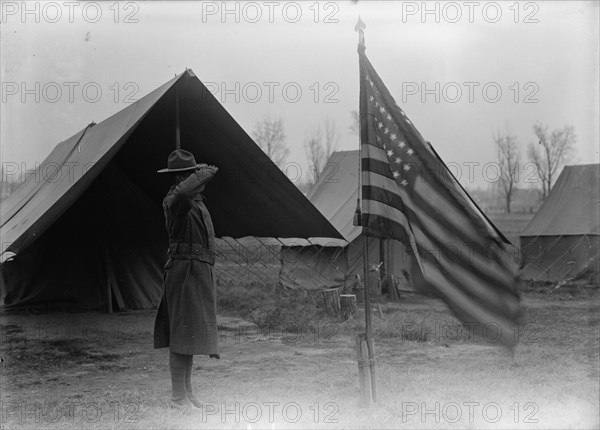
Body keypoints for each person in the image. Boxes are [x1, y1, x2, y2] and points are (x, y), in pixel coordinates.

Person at [154, 149, 220, 409]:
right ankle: (178, 398)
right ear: (180, 178)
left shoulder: (196, 200)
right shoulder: (175, 199)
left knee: (190, 337)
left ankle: (187, 393)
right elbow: (182, 192)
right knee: (181, 336)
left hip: (197, 273)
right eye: (191, 175)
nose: (197, 180)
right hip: (184, 272)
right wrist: (206, 171)